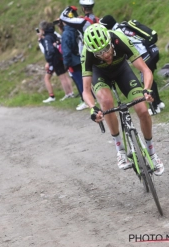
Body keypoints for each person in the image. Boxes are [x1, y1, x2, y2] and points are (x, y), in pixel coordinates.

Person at [81, 24, 164, 176]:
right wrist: (93, 107)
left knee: (143, 110)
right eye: (99, 53)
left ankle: (152, 153)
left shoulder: (120, 39)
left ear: (111, 41)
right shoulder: (87, 53)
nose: (105, 55)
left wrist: (146, 89)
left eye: (107, 49)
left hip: (122, 71)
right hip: (100, 75)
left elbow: (145, 70)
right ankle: (120, 149)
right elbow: (86, 91)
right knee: (106, 102)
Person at [99, 15, 165, 115]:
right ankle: (159, 103)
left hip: (145, 53)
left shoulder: (116, 33)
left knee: (145, 79)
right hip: (152, 50)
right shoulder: (123, 26)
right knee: (150, 79)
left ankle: (154, 107)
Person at [60, 6, 89, 110]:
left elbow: (66, 51)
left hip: (73, 62)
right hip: (82, 57)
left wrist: (66, 63)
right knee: (86, 80)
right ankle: (91, 98)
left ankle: (86, 101)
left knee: (80, 82)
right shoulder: (78, 28)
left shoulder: (66, 33)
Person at [38, 21, 75, 103]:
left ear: (43, 30)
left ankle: (67, 94)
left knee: (62, 77)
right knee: (65, 76)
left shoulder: (47, 38)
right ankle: (71, 92)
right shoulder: (53, 34)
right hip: (60, 57)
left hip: (55, 59)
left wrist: (49, 61)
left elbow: (49, 50)